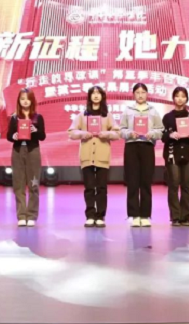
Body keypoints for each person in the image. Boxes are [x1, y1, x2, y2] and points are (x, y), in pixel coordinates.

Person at [68, 86, 120, 228]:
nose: (96, 96)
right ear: (89, 97)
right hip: (86, 156)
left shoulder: (107, 116)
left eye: (98, 93)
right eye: (93, 93)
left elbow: (117, 133)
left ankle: (100, 216)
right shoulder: (82, 115)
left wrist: (106, 134)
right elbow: (71, 132)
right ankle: (90, 215)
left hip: (102, 156)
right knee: (89, 187)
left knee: (102, 188)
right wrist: (82, 134)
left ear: (102, 97)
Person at [119, 83, 164, 227]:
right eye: (137, 92)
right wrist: (129, 133)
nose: (140, 95)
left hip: (147, 147)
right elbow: (121, 130)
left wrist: (152, 134)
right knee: (132, 181)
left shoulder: (153, 110)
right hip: (131, 147)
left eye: (143, 92)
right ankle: (134, 215)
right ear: (133, 94)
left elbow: (160, 130)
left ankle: (145, 215)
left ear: (147, 94)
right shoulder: (127, 110)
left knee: (146, 181)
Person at [161, 87, 189, 226]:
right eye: (177, 96)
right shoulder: (167, 117)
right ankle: (175, 217)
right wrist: (170, 135)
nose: (180, 99)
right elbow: (162, 136)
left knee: (186, 186)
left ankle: (185, 217)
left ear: (187, 99)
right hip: (172, 154)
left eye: (183, 96)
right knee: (173, 185)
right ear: (173, 98)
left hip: (188, 155)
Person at [6, 88, 46, 227]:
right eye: (22, 98)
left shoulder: (38, 117)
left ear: (32, 101)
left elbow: (42, 136)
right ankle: (21, 215)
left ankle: (32, 215)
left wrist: (35, 131)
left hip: (33, 151)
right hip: (18, 151)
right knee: (19, 185)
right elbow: (9, 136)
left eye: (28, 98)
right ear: (19, 101)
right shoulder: (14, 117)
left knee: (34, 185)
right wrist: (14, 136)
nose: (25, 101)